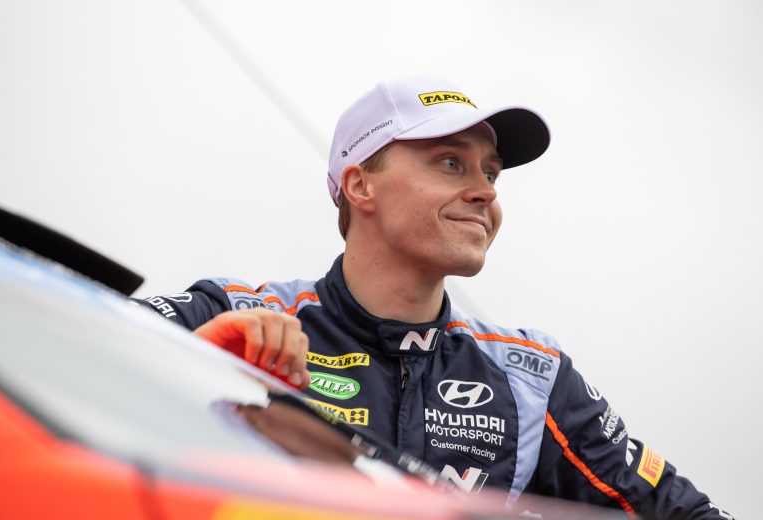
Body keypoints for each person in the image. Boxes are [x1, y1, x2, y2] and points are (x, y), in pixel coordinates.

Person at [136, 75, 733, 519]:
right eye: (451, 164)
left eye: (491, 173)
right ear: (361, 184)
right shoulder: (238, 314)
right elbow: (77, 342)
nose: (484, 193)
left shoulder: (534, 376)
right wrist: (190, 359)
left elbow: (687, 513)